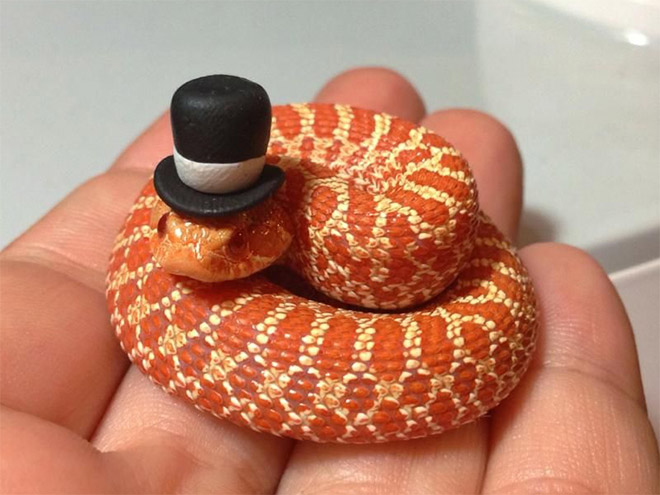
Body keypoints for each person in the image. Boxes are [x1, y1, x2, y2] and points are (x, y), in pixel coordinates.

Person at [1, 67, 657, 494]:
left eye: (232, 241)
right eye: (174, 227)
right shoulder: (211, 206)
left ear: (277, 230)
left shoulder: (346, 218)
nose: (185, 259)